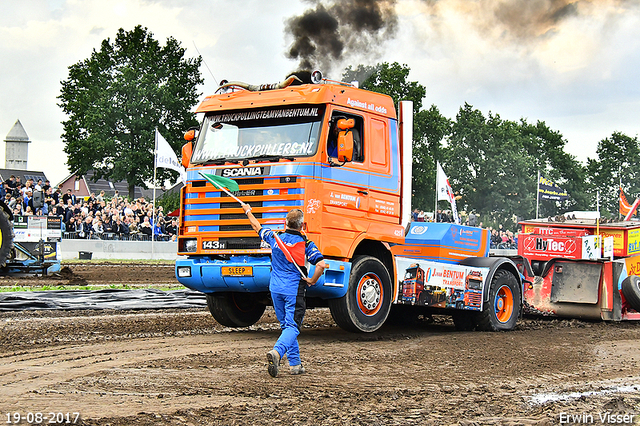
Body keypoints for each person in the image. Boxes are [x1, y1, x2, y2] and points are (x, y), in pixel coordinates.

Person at [241, 203, 328, 377]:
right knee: (293, 327)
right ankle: (277, 352)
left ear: (285, 223)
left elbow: (256, 226)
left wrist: (248, 211)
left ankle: (295, 365)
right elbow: (321, 265)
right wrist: (311, 280)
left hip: (275, 289)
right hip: (293, 290)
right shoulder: (306, 244)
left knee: (286, 326)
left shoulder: (276, 237)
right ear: (302, 226)